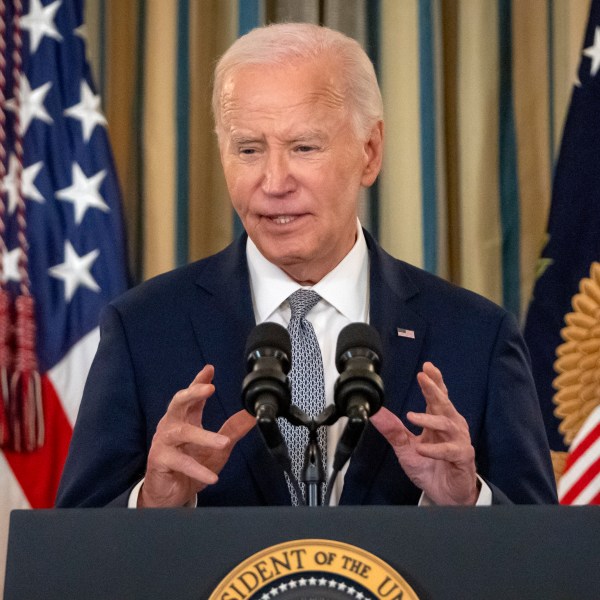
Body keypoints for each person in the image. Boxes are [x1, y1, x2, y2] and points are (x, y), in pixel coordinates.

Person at [55, 22, 557, 509]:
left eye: (304, 147)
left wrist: (468, 503)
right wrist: (150, 506)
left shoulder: (476, 335)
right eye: (248, 149)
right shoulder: (143, 328)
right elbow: (72, 559)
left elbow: (546, 562)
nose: (274, 182)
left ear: (370, 152)